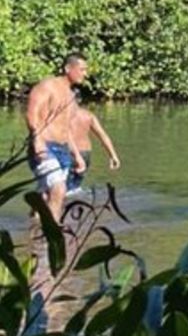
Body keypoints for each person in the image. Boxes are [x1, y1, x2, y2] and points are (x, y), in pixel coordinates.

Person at [26, 54, 89, 222]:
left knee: (46, 196)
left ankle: (34, 229)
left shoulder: (70, 95)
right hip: (45, 146)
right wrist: (37, 140)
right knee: (59, 189)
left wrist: (76, 155)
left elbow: (66, 129)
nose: (85, 74)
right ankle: (54, 234)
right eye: (82, 69)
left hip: (62, 150)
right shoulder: (48, 86)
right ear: (68, 68)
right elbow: (32, 113)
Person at [68, 99, 121, 192]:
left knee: (62, 188)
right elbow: (103, 136)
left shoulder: (61, 117)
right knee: (75, 186)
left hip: (68, 152)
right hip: (85, 154)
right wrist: (113, 156)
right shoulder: (88, 115)